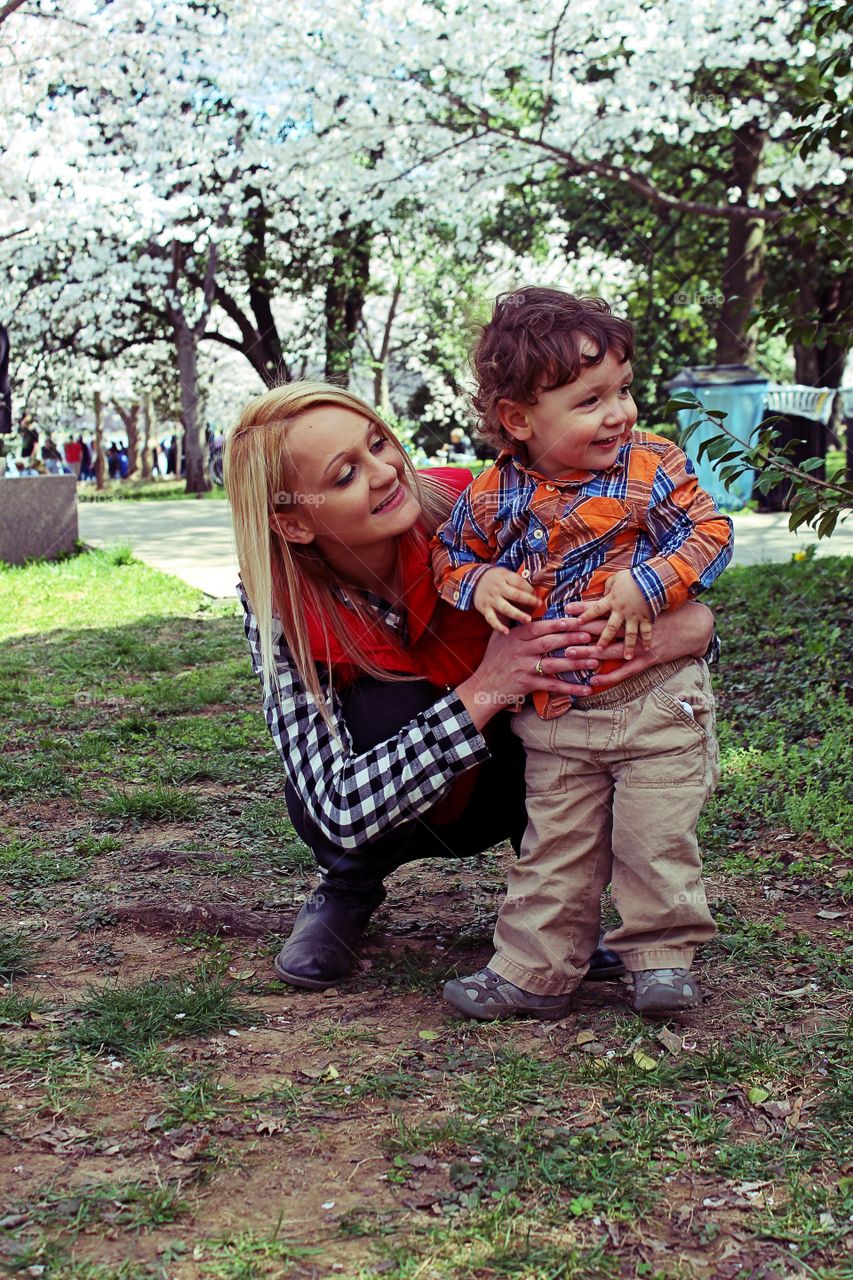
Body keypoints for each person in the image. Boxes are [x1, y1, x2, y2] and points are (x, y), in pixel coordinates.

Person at [225, 380, 718, 995]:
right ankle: (349, 889)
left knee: (556, 699)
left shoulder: (480, 508)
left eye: (379, 443)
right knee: (394, 706)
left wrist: (693, 629)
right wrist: (487, 685)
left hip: (524, 769)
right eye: (345, 474)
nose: (384, 473)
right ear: (293, 522)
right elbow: (338, 808)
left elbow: (627, 594)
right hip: (397, 803)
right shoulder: (280, 601)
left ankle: (563, 913)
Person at [433, 288, 733, 1020]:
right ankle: (534, 972)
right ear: (518, 419)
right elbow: (447, 558)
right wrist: (481, 582)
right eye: (591, 399)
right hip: (557, 716)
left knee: (653, 838)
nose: (619, 412)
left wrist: (650, 581)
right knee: (554, 848)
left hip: (657, 699)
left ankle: (661, 959)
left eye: (623, 390)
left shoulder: (651, 464)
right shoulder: (492, 494)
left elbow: (712, 534)